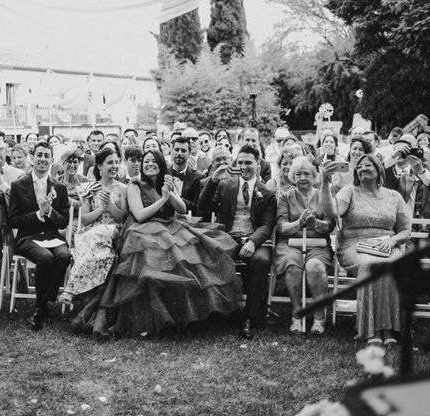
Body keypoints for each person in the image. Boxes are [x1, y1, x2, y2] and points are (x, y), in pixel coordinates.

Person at [96, 149, 241, 336]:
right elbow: (139, 216)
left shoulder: (167, 182)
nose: (149, 164)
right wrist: (163, 199)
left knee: (193, 259)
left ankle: (187, 317)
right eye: (146, 161)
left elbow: (181, 208)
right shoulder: (135, 185)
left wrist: (169, 192)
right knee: (153, 264)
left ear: (161, 164)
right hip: (141, 232)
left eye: (153, 161)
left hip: (169, 227)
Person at [321, 154, 411, 345]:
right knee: (371, 266)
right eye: (359, 166)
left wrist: (393, 240)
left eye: (368, 165)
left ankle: (389, 330)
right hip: (354, 245)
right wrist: (324, 182)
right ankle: (373, 331)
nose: (362, 168)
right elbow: (331, 212)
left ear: (379, 170)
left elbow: (405, 231)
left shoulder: (394, 196)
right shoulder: (349, 191)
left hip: (386, 245)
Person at [197, 144, 277, 339]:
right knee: (213, 257)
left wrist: (252, 242)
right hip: (227, 238)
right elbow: (203, 207)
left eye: (248, 162)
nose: (244, 166)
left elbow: (267, 225)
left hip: (254, 240)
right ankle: (217, 311)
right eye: (240, 162)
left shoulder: (266, 192)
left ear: (258, 165)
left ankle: (249, 317)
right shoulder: (225, 185)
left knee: (262, 261)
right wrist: (214, 180)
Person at [9, 141, 71, 331]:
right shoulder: (18, 185)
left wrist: (50, 211)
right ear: (32, 157)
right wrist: (37, 215)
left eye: (46, 156)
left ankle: (43, 303)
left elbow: (63, 222)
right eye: (39, 155)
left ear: (52, 160)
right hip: (28, 237)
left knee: (63, 256)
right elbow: (14, 221)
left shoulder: (59, 187)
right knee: (45, 258)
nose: (43, 159)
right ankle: (41, 308)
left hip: (52, 236)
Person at [274, 157, 336, 334]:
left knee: (314, 266)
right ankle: (296, 313)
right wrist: (299, 223)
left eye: (307, 174)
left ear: (315, 176)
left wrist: (316, 223)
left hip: (318, 244)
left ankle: (319, 315)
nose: (302, 178)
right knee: (293, 267)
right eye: (298, 174)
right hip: (290, 244)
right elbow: (281, 226)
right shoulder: (285, 197)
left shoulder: (323, 195)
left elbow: (330, 225)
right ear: (293, 177)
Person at [59, 148, 127, 305]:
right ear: (100, 167)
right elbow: (85, 219)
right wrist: (101, 208)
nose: (114, 166)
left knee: (99, 233)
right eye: (110, 162)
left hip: (113, 230)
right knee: (91, 237)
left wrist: (109, 203)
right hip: (91, 232)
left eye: (117, 162)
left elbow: (122, 218)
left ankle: (71, 290)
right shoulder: (89, 188)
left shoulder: (123, 189)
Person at [168, 136, 203, 216]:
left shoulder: (198, 177)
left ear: (189, 153)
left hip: (188, 221)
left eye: (183, 151)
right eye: (176, 150)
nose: (179, 153)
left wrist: (176, 198)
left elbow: (197, 207)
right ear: (172, 151)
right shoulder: (163, 173)